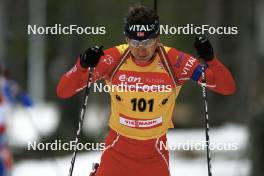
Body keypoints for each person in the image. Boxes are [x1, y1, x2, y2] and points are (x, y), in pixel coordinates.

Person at [57, 4, 236, 176]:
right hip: (117, 151)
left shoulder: (175, 61)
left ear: (157, 38)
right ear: (127, 39)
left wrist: (211, 59)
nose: (141, 49)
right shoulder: (113, 58)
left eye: (148, 41)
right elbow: (64, 90)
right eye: (134, 42)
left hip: (154, 154)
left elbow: (227, 87)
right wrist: (82, 64)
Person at [0, 68, 33, 176]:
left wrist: (19, 94)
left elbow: (28, 103)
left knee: (5, 163)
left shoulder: (8, 86)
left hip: (3, 133)